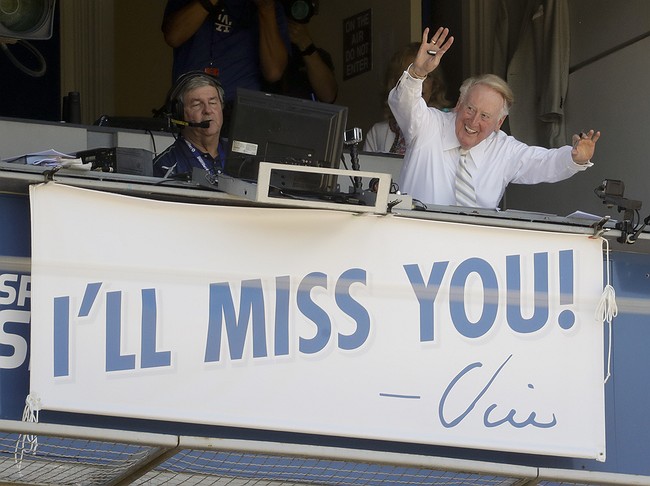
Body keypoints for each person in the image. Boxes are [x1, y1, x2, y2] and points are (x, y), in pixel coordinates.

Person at [388, 27, 601, 209]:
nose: (473, 122)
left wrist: (574, 158)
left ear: (499, 123)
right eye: (470, 109)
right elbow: (404, 104)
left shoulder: (503, 149)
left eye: (485, 116)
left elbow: (543, 162)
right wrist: (417, 73)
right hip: (417, 247)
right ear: (459, 104)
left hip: (474, 254)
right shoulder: (428, 125)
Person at [161, 0, 290, 132]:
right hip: (189, 106)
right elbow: (173, 36)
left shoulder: (272, 8)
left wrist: (266, 9)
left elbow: (274, 72)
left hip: (240, 114)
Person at [364, 42, 451, 154]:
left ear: (435, 84)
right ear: (395, 82)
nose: (419, 84)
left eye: (427, 76)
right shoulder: (378, 133)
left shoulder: (446, 129)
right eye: (412, 77)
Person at [153, 72, 227, 179]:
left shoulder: (242, 157)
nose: (207, 110)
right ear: (179, 114)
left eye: (212, 103)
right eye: (197, 105)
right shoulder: (164, 166)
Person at [265, 16, 338, 103]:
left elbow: (328, 95)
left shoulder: (314, 55)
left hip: (302, 113)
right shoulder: (254, 51)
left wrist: (305, 43)